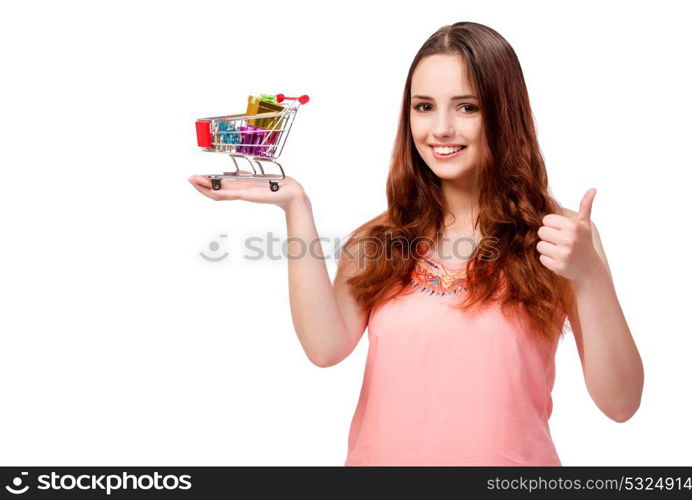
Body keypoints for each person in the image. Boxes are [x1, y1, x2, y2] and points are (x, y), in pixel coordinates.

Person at [188, 21, 644, 466]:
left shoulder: (560, 237)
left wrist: (589, 275)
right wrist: (295, 206)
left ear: (505, 112)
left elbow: (621, 403)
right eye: (424, 107)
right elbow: (325, 349)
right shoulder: (378, 239)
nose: (440, 129)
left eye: (467, 107)